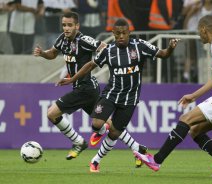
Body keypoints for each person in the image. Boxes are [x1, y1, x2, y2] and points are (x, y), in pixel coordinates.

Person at [57, 18, 180, 172]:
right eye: (117, 34)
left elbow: (163, 54)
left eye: (124, 33)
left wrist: (170, 48)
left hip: (130, 98)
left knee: (115, 132)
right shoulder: (108, 50)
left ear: (129, 33)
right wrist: (73, 79)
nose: (121, 36)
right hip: (111, 94)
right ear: (113, 34)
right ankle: (110, 136)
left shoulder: (140, 46)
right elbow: (90, 65)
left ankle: (96, 160)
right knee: (96, 123)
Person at [134, 15, 212, 177]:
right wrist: (193, 95)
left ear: (203, 29)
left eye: (199, 32)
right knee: (195, 130)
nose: (199, 35)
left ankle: (157, 160)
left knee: (185, 119)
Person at [33, 12, 147, 163]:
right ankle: (137, 148)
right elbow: (53, 54)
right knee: (111, 126)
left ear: (77, 26)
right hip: (84, 89)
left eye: (69, 25)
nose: (66, 28)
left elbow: (103, 46)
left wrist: (99, 60)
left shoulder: (84, 40)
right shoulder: (63, 39)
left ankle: (78, 142)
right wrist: (42, 54)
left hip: (85, 88)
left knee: (51, 113)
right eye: (64, 25)